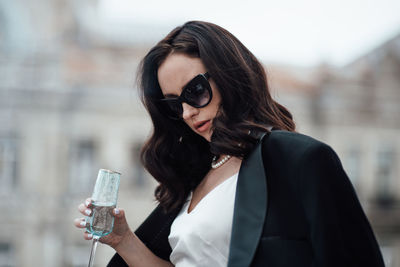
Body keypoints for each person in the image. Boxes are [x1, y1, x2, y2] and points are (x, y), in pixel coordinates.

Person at [74, 21, 385, 267]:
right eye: (173, 104)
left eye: (194, 91)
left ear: (229, 75)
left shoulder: (300, 160)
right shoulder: (194, 177)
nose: (187, 111)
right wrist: (123, 239)